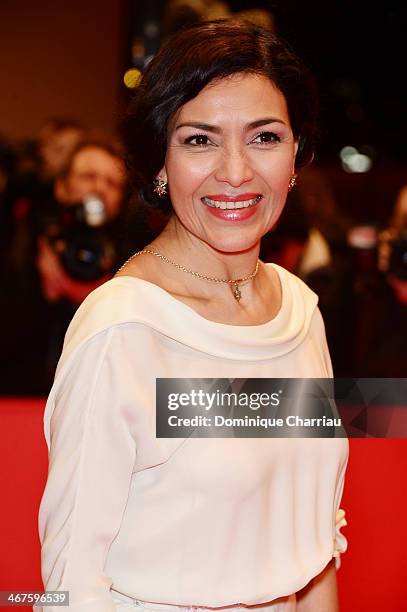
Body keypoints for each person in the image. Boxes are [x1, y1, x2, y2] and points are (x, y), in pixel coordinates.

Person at [36, 20, 348, 612]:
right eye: (200, 140)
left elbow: (312, 544)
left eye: (264, 137)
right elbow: (71, 588)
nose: (235, 172)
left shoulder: (299, 312)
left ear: (297, 156)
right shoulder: (123, 331)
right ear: (159, 162)